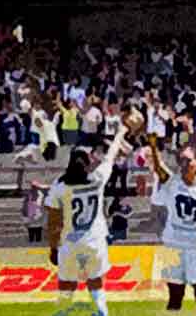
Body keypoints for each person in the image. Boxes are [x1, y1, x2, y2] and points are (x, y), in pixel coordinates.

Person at [46, 119, 133, 316]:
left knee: (67, 285)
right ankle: (101, 311)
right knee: (96, 282)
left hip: (70, 242)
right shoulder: (98, 179)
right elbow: (110, 156)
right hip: (95, 241)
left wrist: (53, 247)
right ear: (86, 165)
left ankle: (64, 312)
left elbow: (53, 223)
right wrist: (120, 133)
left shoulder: (59, 187)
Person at [148, 133, 196, 316]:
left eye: (188, 160)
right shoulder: (172, 182)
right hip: (174, 244)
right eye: (181, 160)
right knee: (175, 293)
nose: (184, 164)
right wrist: (153, 146)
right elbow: (159, 168)